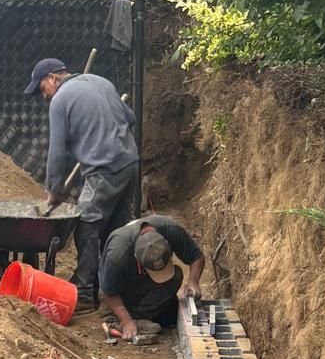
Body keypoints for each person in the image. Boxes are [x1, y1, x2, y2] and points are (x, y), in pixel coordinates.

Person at [24, 56, 139, 301]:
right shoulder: (101, 82)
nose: (44, 96)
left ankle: (86, 291)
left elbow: (56, 152)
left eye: (42, 88)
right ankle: (116, 286)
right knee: (115, 232)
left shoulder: (60, 101)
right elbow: (131, 119)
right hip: (130, 163)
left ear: (52, 78)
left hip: (104, 169)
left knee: (86, 225)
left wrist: (54, 191)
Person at [100, 214, 204, 343]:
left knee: (175, 278)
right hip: (120, 290)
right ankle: (115, 319)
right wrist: (126, 321)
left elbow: (196, 257)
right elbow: (109, 292)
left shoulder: (170, 230)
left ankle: (140, 315)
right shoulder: (117, 256)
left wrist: (193, 281)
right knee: (155, 325)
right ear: (136, 257)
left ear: (166, 242)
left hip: (142, 282)